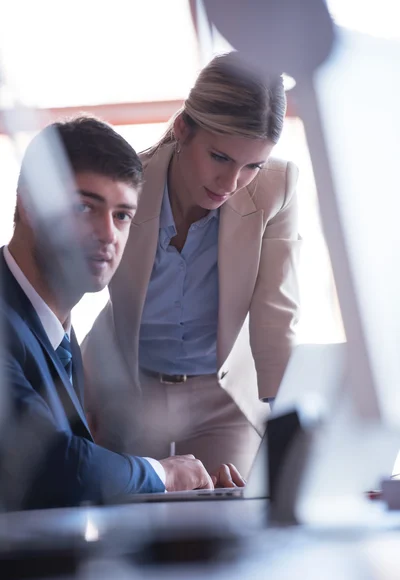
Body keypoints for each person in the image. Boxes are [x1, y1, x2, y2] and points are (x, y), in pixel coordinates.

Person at [0, 116, 244, 511]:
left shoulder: (57, 334)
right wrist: (163, 475)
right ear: (28, 205)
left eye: (122, 215)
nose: (109, 234)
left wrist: (196, 495)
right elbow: (51, 466)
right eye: (85, 207)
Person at [82, 52, 301, 479]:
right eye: (220, 157)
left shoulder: (277, 187)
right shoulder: (128, 183)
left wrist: (288, 431)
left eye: (252, 165)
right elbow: (67, 289)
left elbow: (277, 316)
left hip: (221, 395)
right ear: (183, 129)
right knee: (133, 518)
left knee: (227, 524)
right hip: (128, 385)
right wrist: (75, 400)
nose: (231, 183)